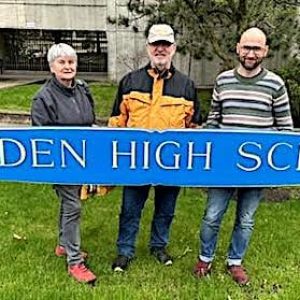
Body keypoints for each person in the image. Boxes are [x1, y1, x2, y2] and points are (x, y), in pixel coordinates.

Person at [193, 27, 293, 285]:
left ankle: (235, 262)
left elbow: (285, 130)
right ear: (238, 48)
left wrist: (278, 166)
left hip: (256, 168)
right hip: (224, 165)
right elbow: (214, 121)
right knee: (212, 215)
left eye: (256, 48)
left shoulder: (276, 84)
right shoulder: (223, 80)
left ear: (265, 51)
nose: (251, 53)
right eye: (247, 47)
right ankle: (205, 257)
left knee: (246, 219)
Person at [109, 24, 201, 272]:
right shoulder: (129, 81)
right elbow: (117, 122)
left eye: (166, 44)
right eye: (155, 44)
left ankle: (158, 246)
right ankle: (124, 250)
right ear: (148, 47)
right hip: (135, 162)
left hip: (171, 164)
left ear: (174, 48)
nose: (160, 49)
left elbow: (194, 127)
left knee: (166, 209)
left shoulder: (187, 85)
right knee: (130, 209)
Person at [31, 43, 97, 284]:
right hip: (60, 163)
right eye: (62, 62)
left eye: (71, 62)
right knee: (73, 206)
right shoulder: (43, 98)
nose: (68, 66)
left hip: (82, 159)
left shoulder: (83, 89)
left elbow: (90, 122)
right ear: (52, 67)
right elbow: (40, 139)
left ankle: (63, 244)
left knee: (70, 203)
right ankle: (74, 261)